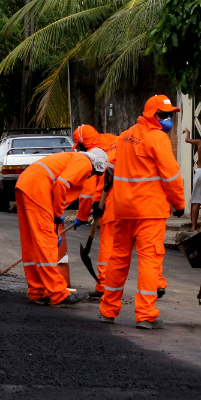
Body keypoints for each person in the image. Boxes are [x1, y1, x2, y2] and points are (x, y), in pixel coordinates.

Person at [98, 95, 186, 329]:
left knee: (118, 259)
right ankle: (146, 315)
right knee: (149, 260)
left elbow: (111, 168)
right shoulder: (158, 139)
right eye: (163, 115)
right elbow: (171, 175)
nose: (167, 119)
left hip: (124, 208)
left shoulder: (125, 136)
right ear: (151, 114)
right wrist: (179, 203)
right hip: (149, 210)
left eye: (169, 115)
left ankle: (108, 309)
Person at [14, 149, 107, 306]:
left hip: (26, 184)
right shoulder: (84, 162)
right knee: (46, 241)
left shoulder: (71, 158)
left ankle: (37, 290)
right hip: (37, 188)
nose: (91, 176)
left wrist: (54, 222)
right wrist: (57, 214)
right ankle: (58, 294)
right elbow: (62, 184)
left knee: (31, 241)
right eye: (94, 173)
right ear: (96, 165)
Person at [71, 125, 118, 297]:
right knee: (146, 248)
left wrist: (81, 216)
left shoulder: (92, 156)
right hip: (137, 203)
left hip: (111, 203)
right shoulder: (113, 139)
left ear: (83, 144)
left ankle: (103, 286)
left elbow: (87, 192)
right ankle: (156, 283)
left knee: (107, 245)